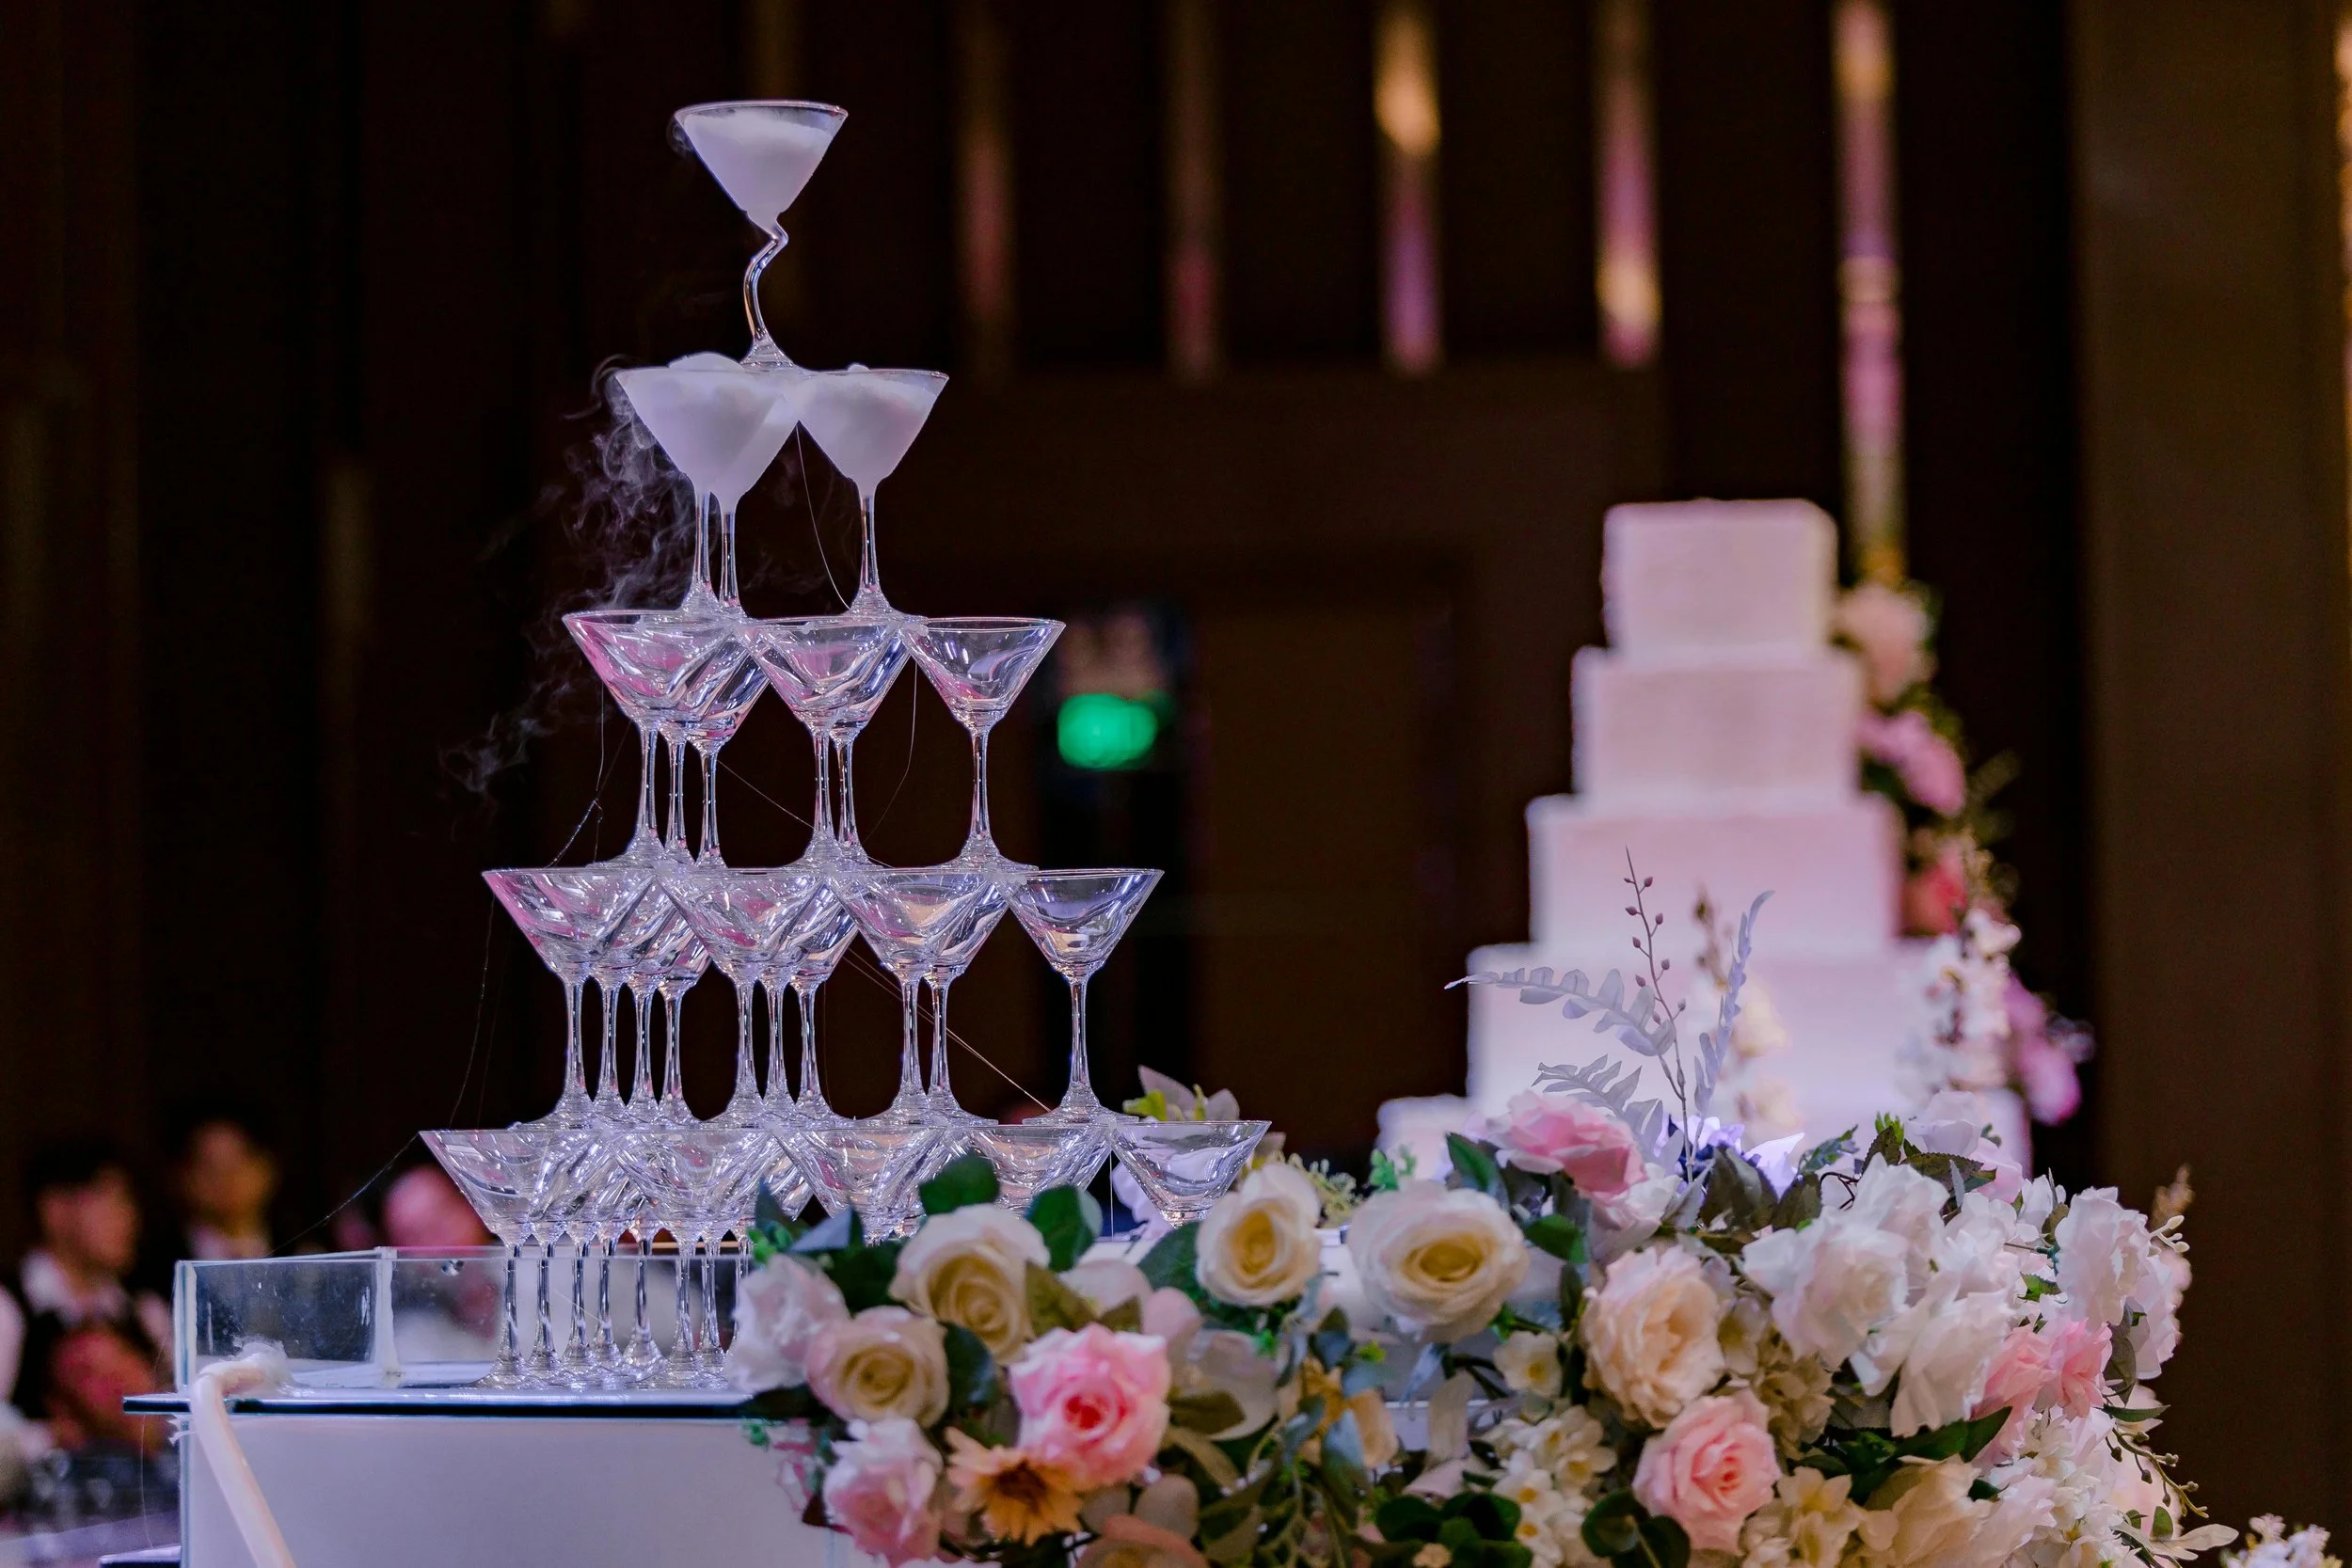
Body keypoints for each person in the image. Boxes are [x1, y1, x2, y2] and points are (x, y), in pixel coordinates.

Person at [0, 1139, 169, 1427]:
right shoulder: (9, 1306)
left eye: (128, 1201)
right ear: (54, 1210)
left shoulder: (144, 1312)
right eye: (110, 1199)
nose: (128, 1217)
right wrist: (51, 1438)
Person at [171, 1112, 278, 1262]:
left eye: (238, 1162)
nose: (227, 1178)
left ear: (266, 1169)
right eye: (210, 1166)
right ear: (184, 1177)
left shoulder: (304, 1256)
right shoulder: (154, 1267)